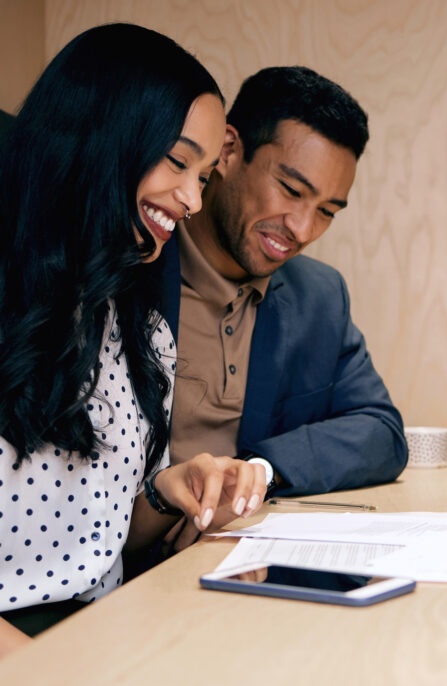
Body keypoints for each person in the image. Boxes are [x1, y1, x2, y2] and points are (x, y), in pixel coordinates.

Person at [0, 24, 266, 656]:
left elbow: (109, 545)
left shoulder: (141, 330)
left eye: (202, 175)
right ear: (97, 139)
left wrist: (169, 491)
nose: (192, 199)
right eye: (178, 161)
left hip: (108, 638)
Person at [154, 66, 406, 550]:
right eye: (291, 190)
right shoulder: (132, 267)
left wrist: (260, 472)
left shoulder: (318, 296)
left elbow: (382, 433)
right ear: (228, 150)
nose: (304, 228)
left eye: (328, 211)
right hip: (109, 578)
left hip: (234, 565)